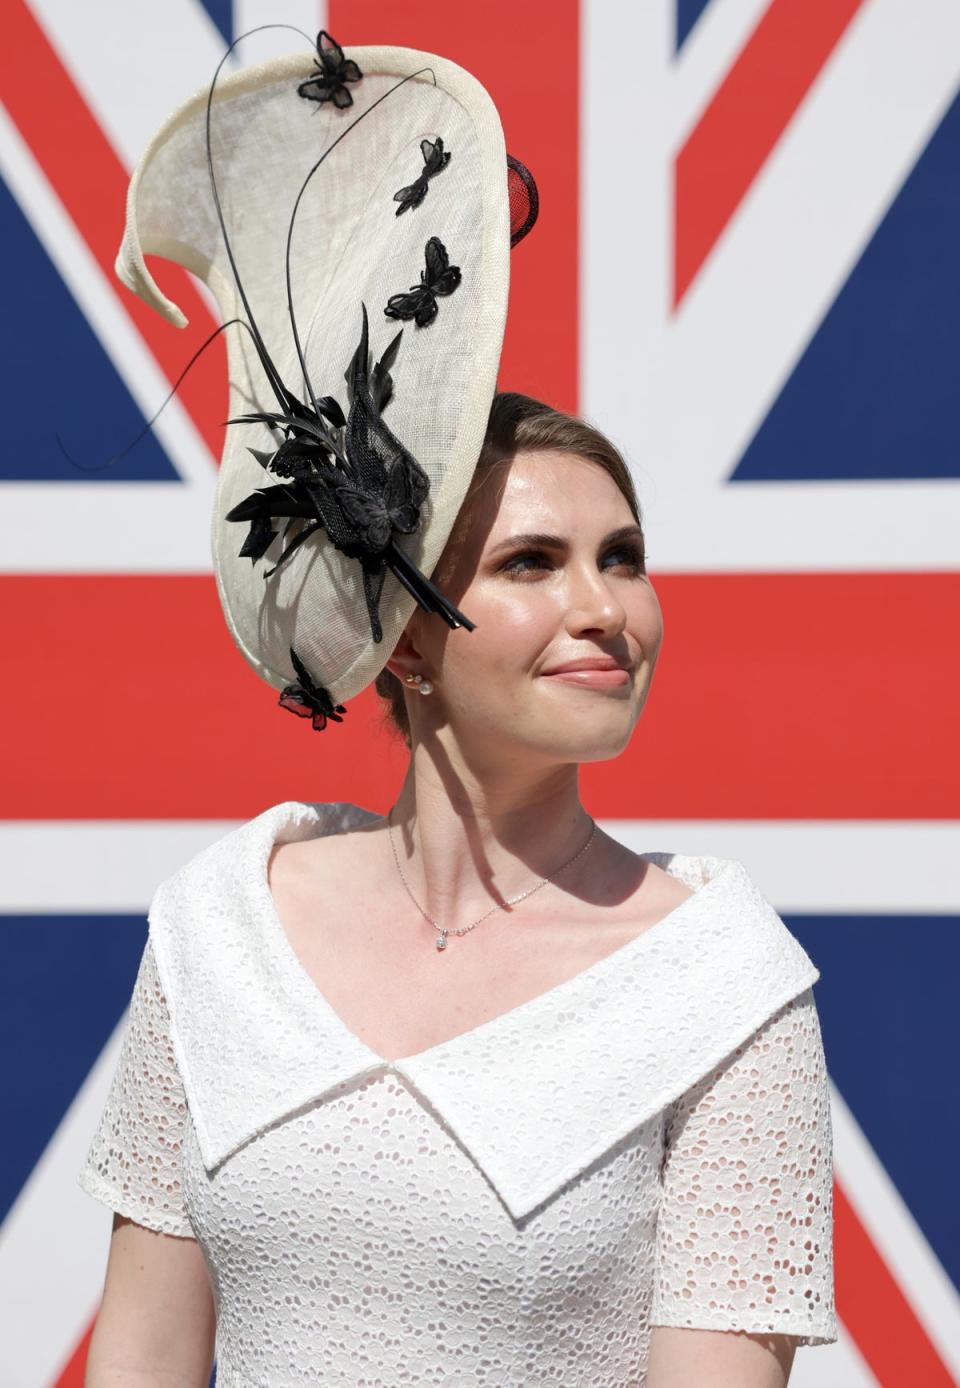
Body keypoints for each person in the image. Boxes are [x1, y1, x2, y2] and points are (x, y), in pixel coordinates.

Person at [78, 30, 837, 1388]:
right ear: (405, 634)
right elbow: (138, 1357)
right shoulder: (220, 927)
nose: (606, 608)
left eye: (626, 558)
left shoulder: (724, 985)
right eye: (533, 564)